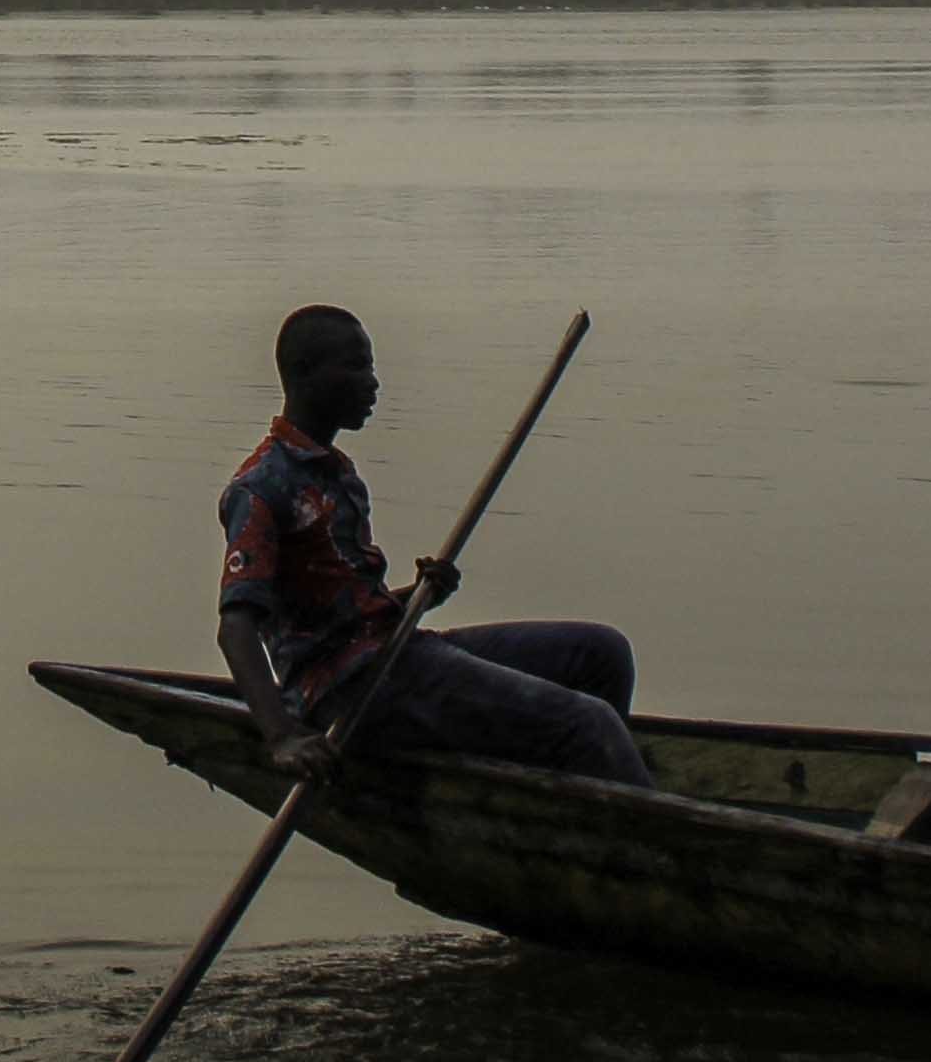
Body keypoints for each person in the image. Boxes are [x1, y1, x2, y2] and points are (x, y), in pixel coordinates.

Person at [216, 300, 650, 787]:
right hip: (352, 687)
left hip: (395, 653)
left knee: (603, 653)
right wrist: (280, 737)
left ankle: (585, 794)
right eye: (357, 367)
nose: (373, 383)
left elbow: (341, 611)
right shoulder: (261, 489)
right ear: (304, 372)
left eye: (371, 368)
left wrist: (416, 596)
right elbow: (236, 627)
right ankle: (629, 807)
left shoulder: (337, 474)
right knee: (590, 724)